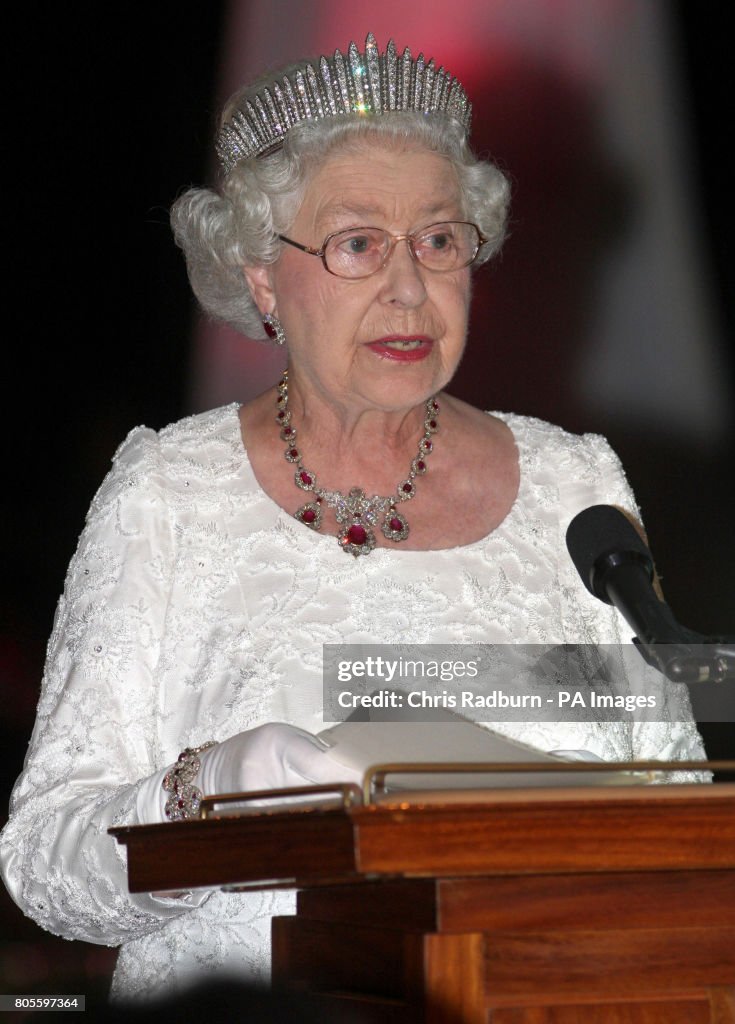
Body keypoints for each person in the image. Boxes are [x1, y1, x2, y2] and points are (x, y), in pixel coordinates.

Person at [0, 33, 706, 1004]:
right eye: (359, 243)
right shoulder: (167, 492)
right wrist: (204, 794)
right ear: (260, 275)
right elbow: (46, 867)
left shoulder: (570, 483)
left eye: (440, 239)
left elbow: (676, 819)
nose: (409, 286)